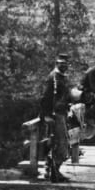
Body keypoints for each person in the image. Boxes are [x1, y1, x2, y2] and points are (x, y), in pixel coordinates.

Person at [38, 53, 72, 182]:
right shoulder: (53, 78)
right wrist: (46, 115)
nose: (64, 66)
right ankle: (53, 170)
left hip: (62, 114)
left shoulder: (63, 77)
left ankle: (53, 170)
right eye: (61, 63)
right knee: (60, 144)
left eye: (66, 64)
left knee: (60, 143)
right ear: (57, 64)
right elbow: (45, 98)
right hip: (54, 115)